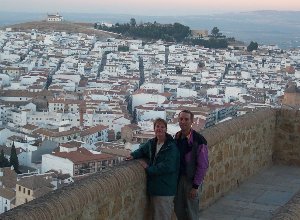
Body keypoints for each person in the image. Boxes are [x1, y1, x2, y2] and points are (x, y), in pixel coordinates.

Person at [126, 118, 180, 220]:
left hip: (165, 188)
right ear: (154, 128)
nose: (159, 129)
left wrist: (149, 169)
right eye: (157, 126)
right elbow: (142, 150)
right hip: (156, 188)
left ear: (166, 129)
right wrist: (133, 155)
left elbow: (168, 166)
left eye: (162, 127)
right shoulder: (152, 143)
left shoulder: (171, 147)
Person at [174, 110, 209, 220]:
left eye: (186, 119)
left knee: (191, 212)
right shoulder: (177, 137)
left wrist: (195, 186)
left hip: (191, 181)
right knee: (178, 210)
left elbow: (203, 165)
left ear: (191, 121)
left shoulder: (199, 140)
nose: (183, 121)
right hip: (179, 180)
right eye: (181, 119)